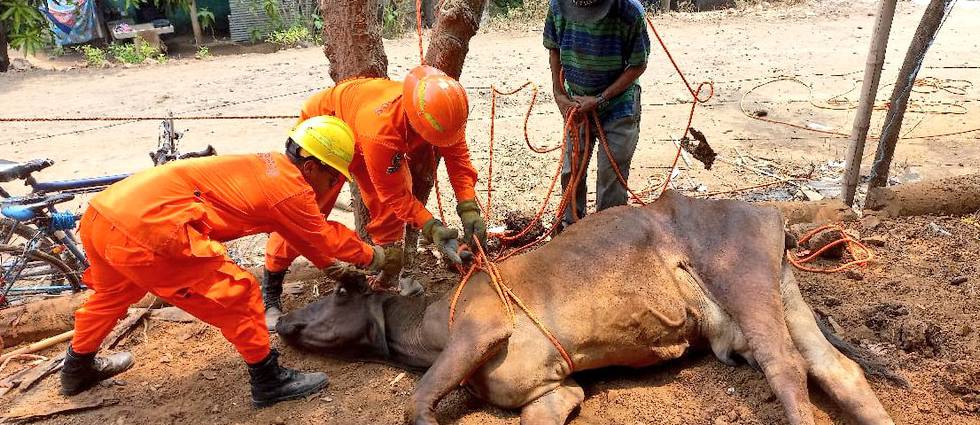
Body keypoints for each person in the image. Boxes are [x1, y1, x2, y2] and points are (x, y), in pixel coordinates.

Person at [61, 116, 401, 407]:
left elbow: (303, 236)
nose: (331, 186)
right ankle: (269, 381)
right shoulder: (292, 191)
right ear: (311, 165)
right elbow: (323, 236)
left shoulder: (272, 169)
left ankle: (77, 369)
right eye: (332, 178)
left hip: (103, 216)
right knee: (239, 293)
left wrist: (337, 269)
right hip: (150, 231)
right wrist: (376, 256)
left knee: (113, 296)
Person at [261, 66, 486, 321]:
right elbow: (396, 195)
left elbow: (459, 160)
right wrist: (431, 227)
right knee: (304, 212)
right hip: (326, 131)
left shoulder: (443, 112)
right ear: (413, 120)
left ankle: (386, 277)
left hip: (363, 128)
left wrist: (468, 207)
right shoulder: (383, 133)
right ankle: (270, 290)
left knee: (388, 211)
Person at [544, 0, 650, 228]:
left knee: (611, 173)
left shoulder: (629, 11)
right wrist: (558, 93)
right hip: (577, 102)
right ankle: (570, 226)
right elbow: (554, 48)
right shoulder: (557, 6)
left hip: (618, 105)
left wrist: (601, 98)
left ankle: (608, 232)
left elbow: (638, 64)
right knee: (572, 170)